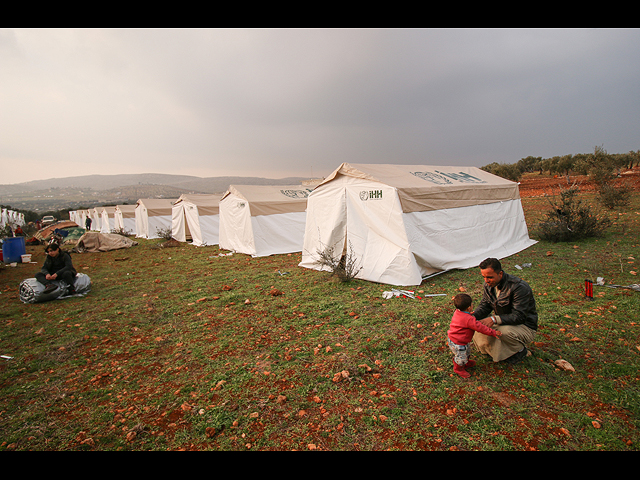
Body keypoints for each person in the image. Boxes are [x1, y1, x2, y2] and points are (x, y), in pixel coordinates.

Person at [472, 258, 538, 364]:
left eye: (489, 277)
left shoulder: (519, 287)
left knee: (503, 332)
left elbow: (519, 316)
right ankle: (497, 352)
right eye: (483, 277)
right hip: (504, 322)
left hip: (525, 326)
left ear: (500, 274)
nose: (486, 281)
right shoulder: (489, 285)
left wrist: (494, 319)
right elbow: (485, 305)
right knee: (477, 326)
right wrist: (471, 317)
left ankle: (519, 351)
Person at [447, 293, 502, 378]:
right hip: (459, 342)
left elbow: (463, 318)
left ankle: (466, 362)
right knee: (461, 357)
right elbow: (481, 328)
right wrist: (493, 332)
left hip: (454, 339)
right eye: (472, 304)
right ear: (469, 307)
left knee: (467, 351)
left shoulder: (458, 312)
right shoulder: (469, 319)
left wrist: (468, 314)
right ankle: (458, 368)